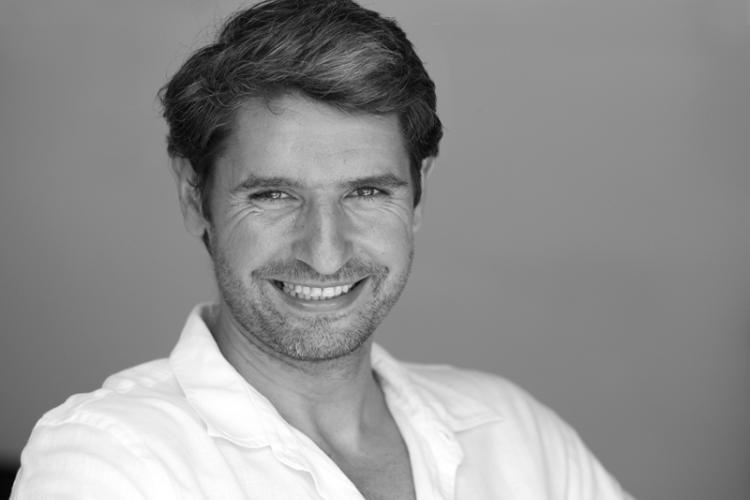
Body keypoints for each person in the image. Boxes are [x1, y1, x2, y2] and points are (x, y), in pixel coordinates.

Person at [12, 0, 634, 498]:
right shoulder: (108, 463)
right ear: (193, 196)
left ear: (418, 195)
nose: (325, 253)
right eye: (274, 195)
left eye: (366, 191)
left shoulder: (515, 436)